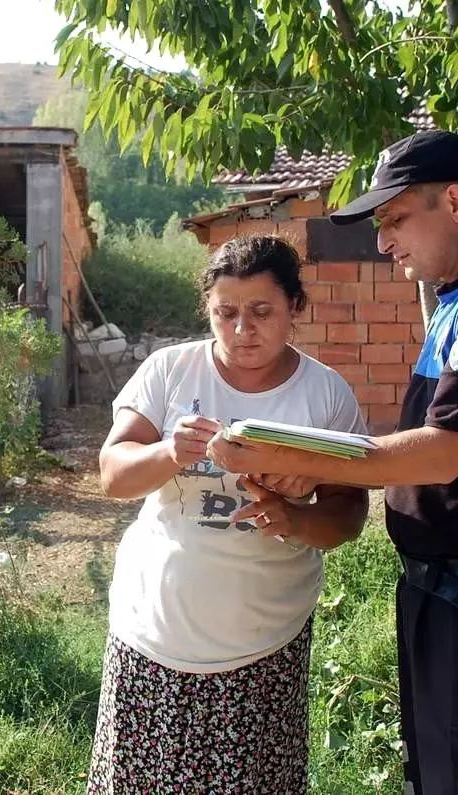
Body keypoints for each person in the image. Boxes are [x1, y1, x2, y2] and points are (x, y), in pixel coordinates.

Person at [208, 130, 458, 794]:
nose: (384, 241)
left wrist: (302, 459)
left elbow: (444, 452)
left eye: (395, 219)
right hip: (451, 595)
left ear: (454, 202)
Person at [87, 235, 370, 794]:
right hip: (153, 636)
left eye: (262, 312)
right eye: (226, 313)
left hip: (264, 647)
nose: (243, 330)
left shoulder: (324, 394)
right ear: (208, 310)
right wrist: (171, 451)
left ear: (295, 306)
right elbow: (113, 474)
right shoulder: (171, 370)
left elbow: (348, 515)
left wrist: (293, 519)